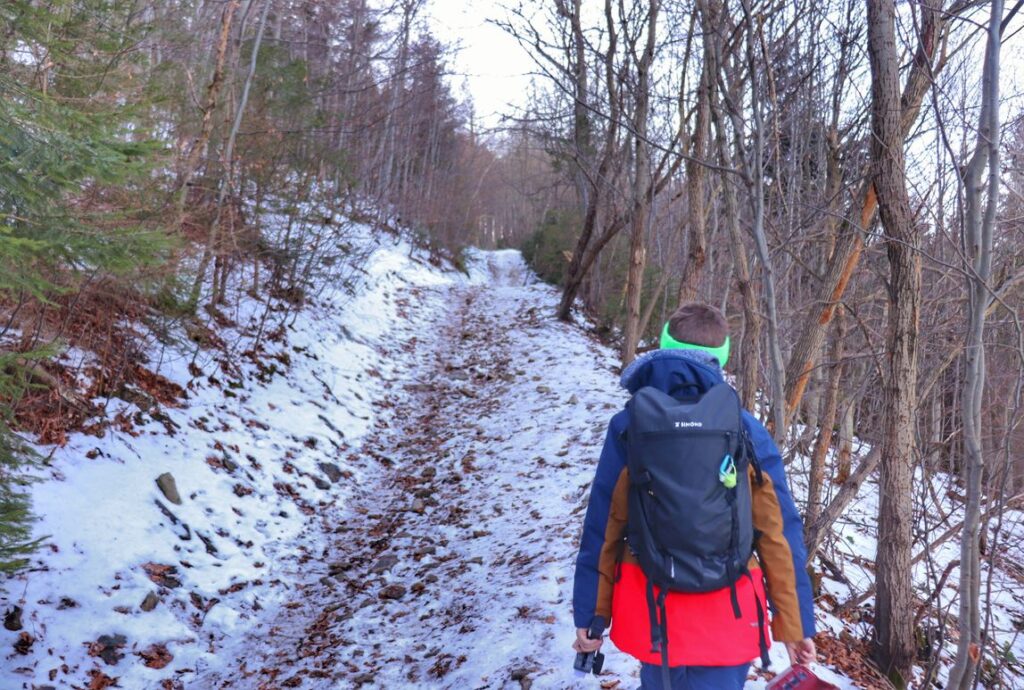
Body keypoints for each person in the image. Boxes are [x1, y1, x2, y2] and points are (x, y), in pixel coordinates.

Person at [572, 303, 817, 690]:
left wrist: (591, 614)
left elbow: (604, 526)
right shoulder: (744, 428)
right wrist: (794, 622)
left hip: (652, 608)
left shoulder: (629, 424)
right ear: (721, 359)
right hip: (729, 612)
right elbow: (778, 532)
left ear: (663, 345)